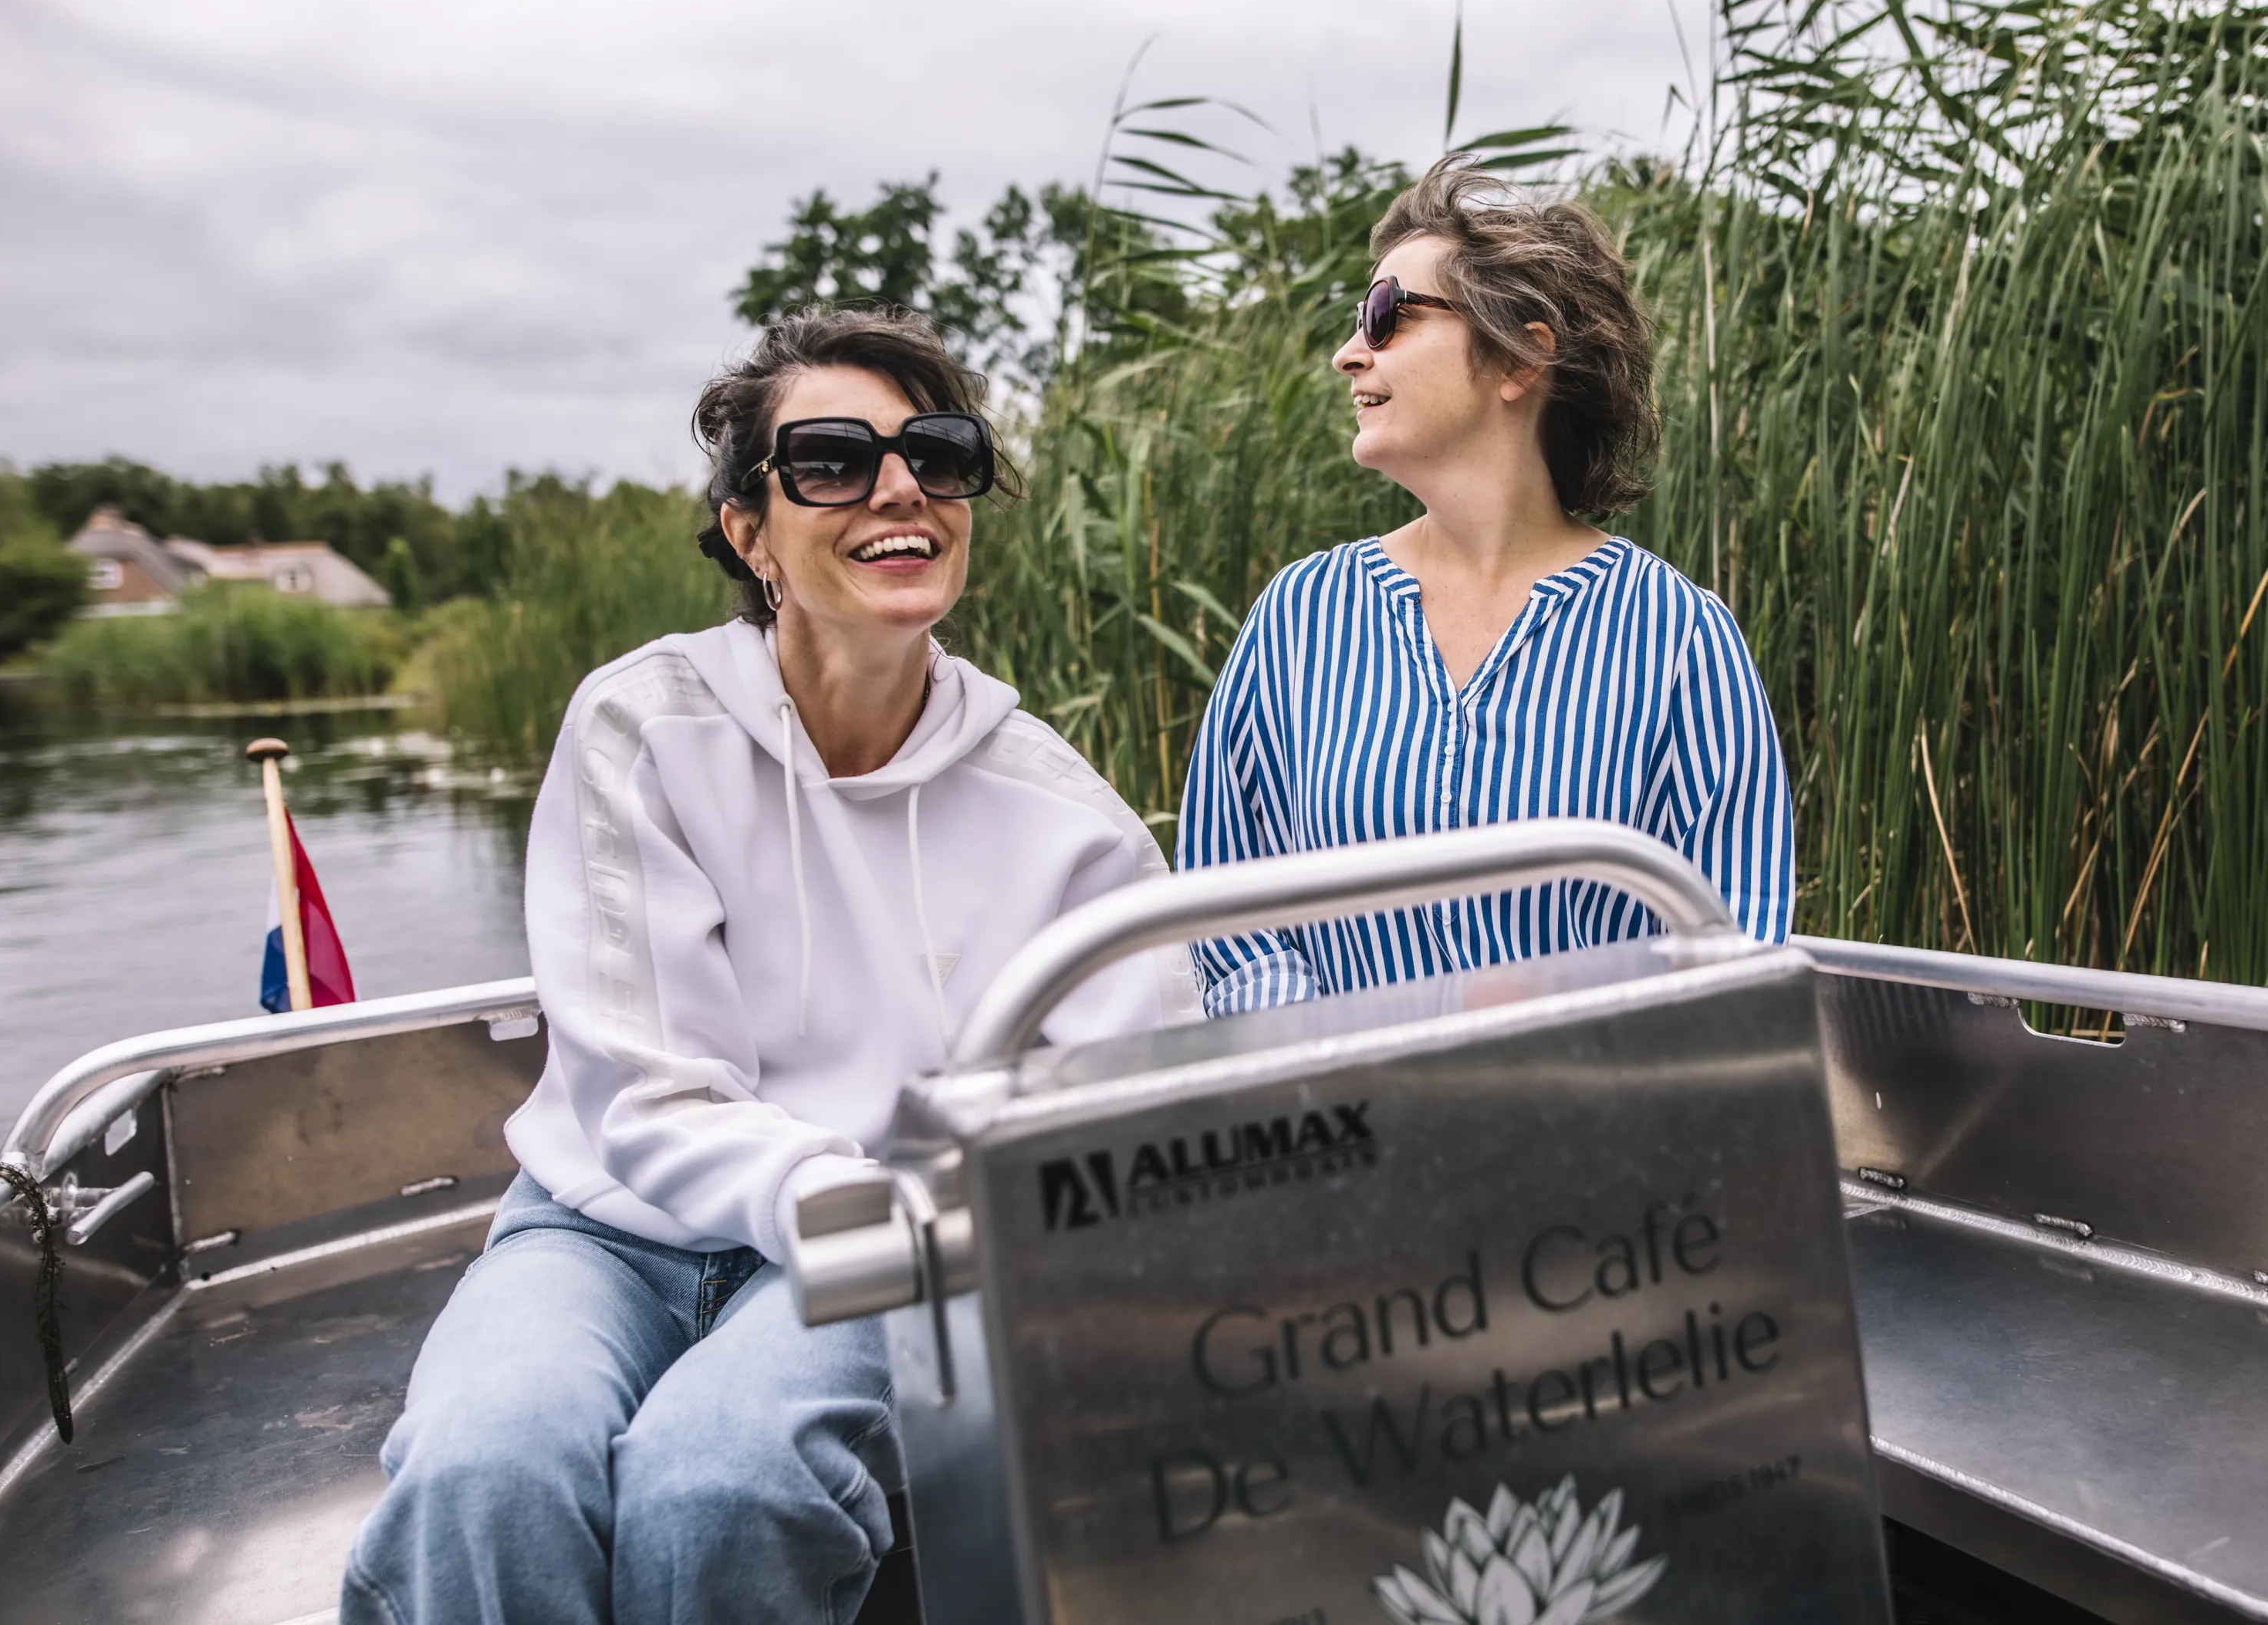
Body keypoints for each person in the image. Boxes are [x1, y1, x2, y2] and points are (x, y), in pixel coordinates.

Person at [341, 309, 1193, 1625]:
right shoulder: (644, 726)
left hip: (888, 1242)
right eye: (833, 461)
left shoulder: (1068, 823)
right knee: (485, 1471)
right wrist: (820, 1192)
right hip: (609, 1226)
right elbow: (641, 1092)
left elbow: (1095, 1119)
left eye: (938, 453)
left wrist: (911, 1227)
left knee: (720, 1483)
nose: (900, 487)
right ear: (750, 532)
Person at [1177, 159, 1795, 1012]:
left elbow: (1733, 952)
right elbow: (1230, 915)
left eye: (1386, 316)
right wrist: (1339, 1075)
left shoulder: (1680, 639)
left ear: (1518, 357)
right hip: (1345, 1121)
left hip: (1587, 1131)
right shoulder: (1301, 617)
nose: (1346, 353)